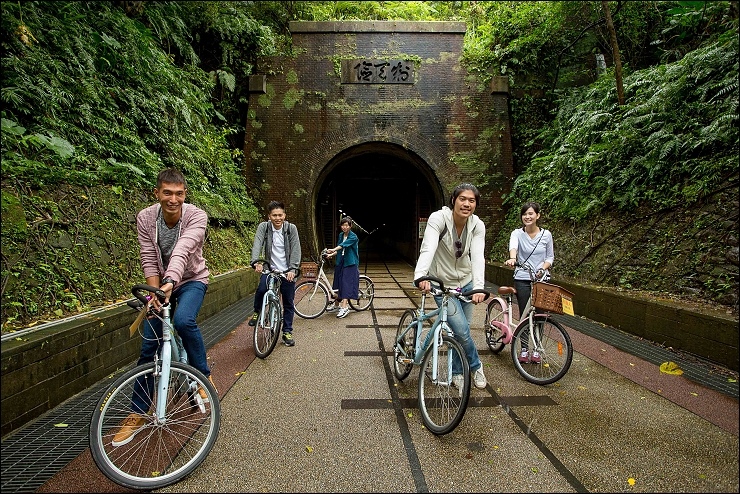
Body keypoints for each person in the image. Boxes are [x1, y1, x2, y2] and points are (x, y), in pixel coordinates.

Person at [113, 168, 217, 446]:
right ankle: (137, 413)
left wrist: (170, 281)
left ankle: (203, 377)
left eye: (179, 194)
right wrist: (154, 294)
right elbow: (148, 256)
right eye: (167, 193)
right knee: (149, 346)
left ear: (185, 194)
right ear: (157, 193)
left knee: (183, 321)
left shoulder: (197, 216)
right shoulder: (146, 218)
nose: (173, 199)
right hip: (160, 284)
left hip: (191, 280)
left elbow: (184, 247)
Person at [414, 183, 488, 392]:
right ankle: (476, 366)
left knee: (459, 332)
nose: (466, 204)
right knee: (462, 330)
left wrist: (479, 287)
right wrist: (421, 276)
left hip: (466, 281)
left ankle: (456, 373)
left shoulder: (477, 225)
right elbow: (428, 247)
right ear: (454, 200)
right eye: (462, 199)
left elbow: (478, 257)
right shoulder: (438, 219)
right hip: (442, 282)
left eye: (471, 200)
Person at [503, 201, 554, 364]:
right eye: (524, 214)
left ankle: (537, 348)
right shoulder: (517, 233)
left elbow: (550, 257)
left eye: (531, 213)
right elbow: (513, 247)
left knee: (540, 314)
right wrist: (512, 258)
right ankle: (524, 348)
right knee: (525, 314)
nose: (527, 217)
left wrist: (542, 269)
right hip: (522, 277)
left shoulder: (546, 235)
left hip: (541, 280)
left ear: (538, 215)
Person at [248, 200, 301, 347]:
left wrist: (293, 269)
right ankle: (257, 311)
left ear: (284, 215)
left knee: (288, 302)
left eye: (280, 215)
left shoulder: (291, 229)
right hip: (270, 268)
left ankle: (287, 332)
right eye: (274, 215)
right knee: (261, 289)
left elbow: (296, 249)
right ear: (269, 216)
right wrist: (256, 262)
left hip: (287, 271)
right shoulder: (264, 227)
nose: (278, 218)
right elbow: (257, 244)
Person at [325, 216, 360, 319]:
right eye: (343, 225)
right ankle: (336, 305)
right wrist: (331, 254)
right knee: (337, 282)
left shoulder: (353, 237)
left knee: (345, 283)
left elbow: (343, 245)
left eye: (346, 225)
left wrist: (333, 249)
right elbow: (340, 249)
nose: (344, 227)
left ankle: (344, 307)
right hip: (341, 261)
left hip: (350, 262)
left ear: (350, 226)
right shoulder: (341, 235)